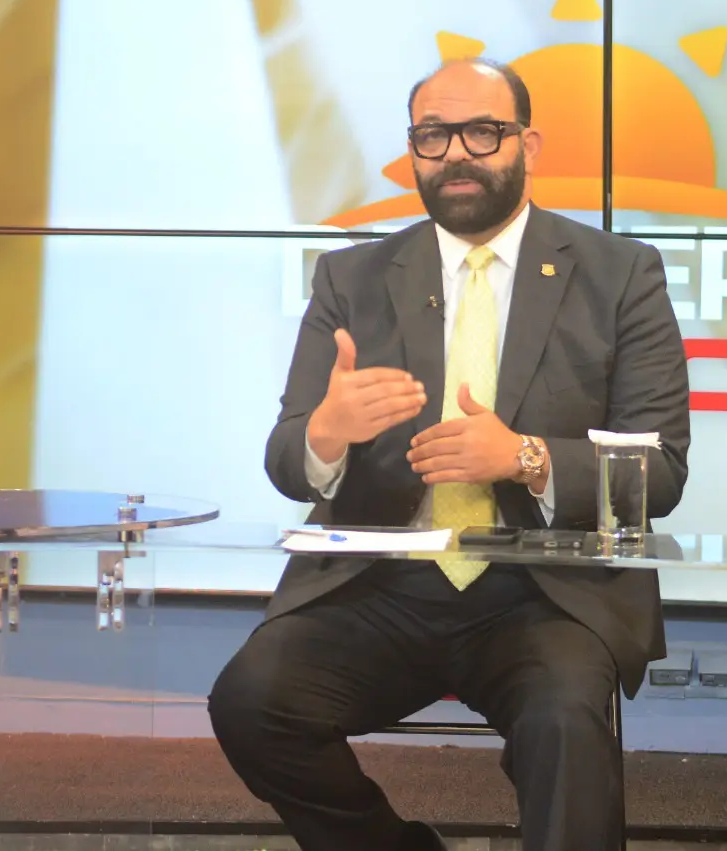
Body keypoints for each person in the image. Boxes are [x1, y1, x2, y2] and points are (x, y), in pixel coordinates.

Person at [208, 57, 691, 851]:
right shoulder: (351, 276)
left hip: (545, 593)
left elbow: (661, 470)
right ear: (413, 151)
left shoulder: (619, 274)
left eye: (482, 132)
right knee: (252, 702)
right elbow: (289, 457)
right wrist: (327, 432)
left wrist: (527, 457)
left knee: (566, 725)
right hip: (381, 588)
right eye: (433, 136)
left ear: (528, 145)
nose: (456, 153)